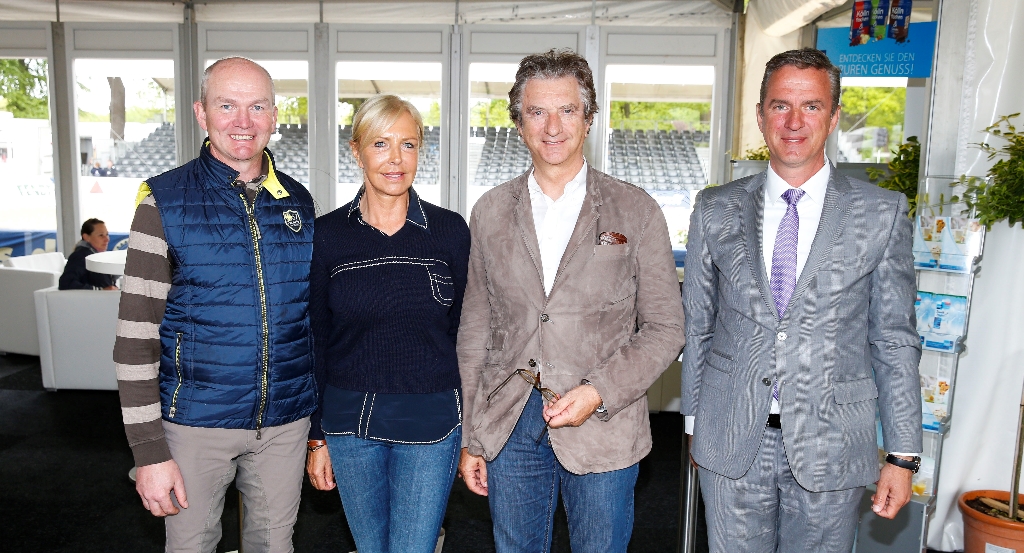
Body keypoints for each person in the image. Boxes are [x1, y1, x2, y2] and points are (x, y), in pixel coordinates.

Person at [681, 47, 922, 553]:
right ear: (761, 113)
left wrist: (902, 455)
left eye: (811, 106)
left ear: (834, 117)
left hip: (834, 442)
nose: (793, 122)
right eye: (779, 105)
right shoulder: (714, 208)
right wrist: (694, 423)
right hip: (730, 437)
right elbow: (698, 323)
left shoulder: (882, 213)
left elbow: (895, 339)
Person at [457, 49, 686, 553]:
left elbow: (666, 328)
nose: (552, 126)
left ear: (588, 118)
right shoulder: (491, 211)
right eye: (537, 111)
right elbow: (476, 327)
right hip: (510, 424)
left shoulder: (636, 208)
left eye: (567, 110)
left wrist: (598, 390)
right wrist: (473, 435)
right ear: (518, 123)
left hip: (604, 423)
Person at [113, 57, 317, 552]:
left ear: (274, 116)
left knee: (275, 546)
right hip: (194, 426)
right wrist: (149, 452)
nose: (242, 122)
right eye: (227, 106)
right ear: (202, 113)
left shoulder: (299, 202)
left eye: (256, 107)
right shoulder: (163, 201)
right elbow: (135, 339)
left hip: (285, 425)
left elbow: (309, 322)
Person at [304, 94, 470, 553]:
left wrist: (473, 433)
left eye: (408, 144)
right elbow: (316, 338)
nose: (395, 160)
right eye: (380, 144)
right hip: (349, 424)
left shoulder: (451, 231)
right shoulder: (327, 236)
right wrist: (317, 437)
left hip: (431, 421)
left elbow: (467, 335)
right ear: (356, 151)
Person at [58, 217, 118, 290]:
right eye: (101, 235)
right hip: (95, 300)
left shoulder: (97, 255)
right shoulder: (80, 256)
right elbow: (66, 283)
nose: (107, 239)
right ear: (86, 237)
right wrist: (99, 290)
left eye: (107, 234)